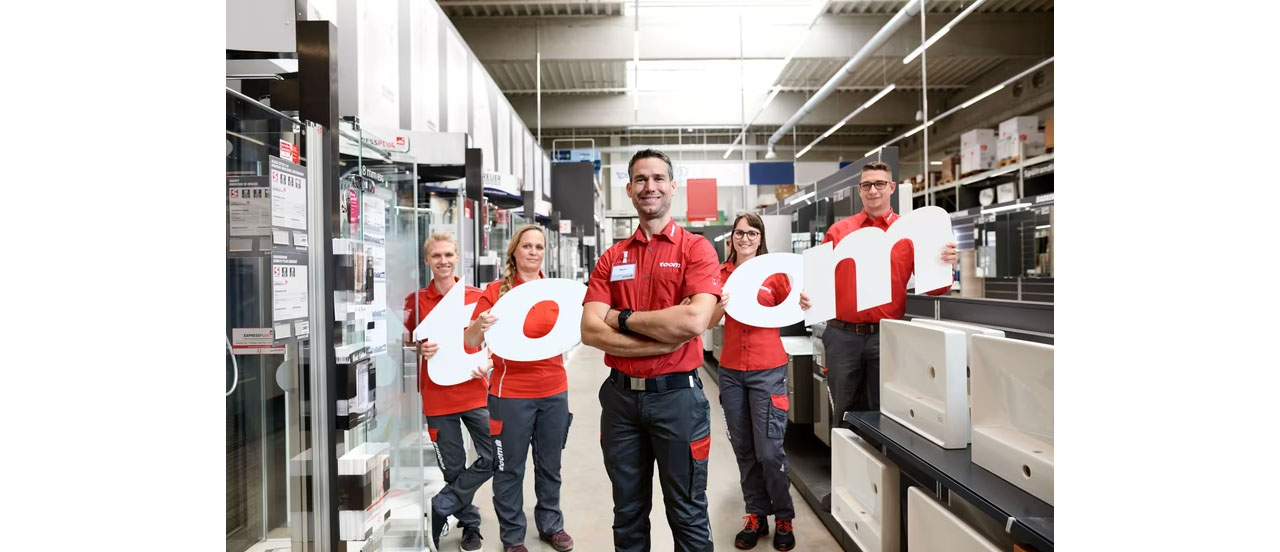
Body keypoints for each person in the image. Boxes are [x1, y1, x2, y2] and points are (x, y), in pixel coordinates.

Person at [580, 149, 721, 552]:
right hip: (621, 401)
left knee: (687, 512)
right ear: (628, 189)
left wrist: (621, 318)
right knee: (627, 513)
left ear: (672, 187)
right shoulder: (612, 257)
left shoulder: (695, 250)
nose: (650, 187)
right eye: (641, 179)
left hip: (677, 399)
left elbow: (694, 322)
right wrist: (661, 335)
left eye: (659, 178)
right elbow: (590, 329)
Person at [798, 161, 958, 429]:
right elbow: (818, 284)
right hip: (842, 336)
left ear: (891, 187)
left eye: (880, 184)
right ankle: (846, 470)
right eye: (867, 185)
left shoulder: (909, 234)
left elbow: (935, 288)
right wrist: (807, 297)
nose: (873, 190)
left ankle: (879, 470)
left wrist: (947, 265)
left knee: (886, 413)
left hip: (886, 336)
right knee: (843, 413)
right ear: (860, 190)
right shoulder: (839, 232)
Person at [464, 224, 575, 552]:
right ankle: (513, 537)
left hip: (554, 390)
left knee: (549, 463)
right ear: (514, 250)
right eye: (527, 246)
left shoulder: (555, 291)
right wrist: (479, 325)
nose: (534, 252)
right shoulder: (496, 291)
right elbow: (470, 341)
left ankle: (551, 524)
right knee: (509, 468)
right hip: (509, 393)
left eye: (539, 247)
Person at [707, 212, 796, 551]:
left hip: (767, 368)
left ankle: (783, 515)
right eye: (739, 233)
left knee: (770, 450)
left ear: (760, 237)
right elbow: (708, 320)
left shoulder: (775, 274)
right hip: (730, 371)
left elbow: (794, 309)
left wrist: (803, 302)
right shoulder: (719, 275)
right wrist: (720, 305)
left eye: (752, 232)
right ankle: (756, 514)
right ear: (731, 238)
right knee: (743, 448)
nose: (745, 238)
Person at [402, 232, 494, 552]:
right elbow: (405, 342)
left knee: (497, 455)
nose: (443, 261)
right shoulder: (415, 301)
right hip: (438, 397)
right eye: (436, 256)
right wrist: (419, 349)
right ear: (427, 260)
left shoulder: (476, 296)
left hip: (475, 392)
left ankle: (442, 504)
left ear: (457, 258)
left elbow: (493, 341)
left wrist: (491, 363)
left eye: (448, 255)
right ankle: (470, 525)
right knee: (453, 468)